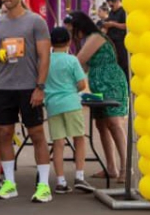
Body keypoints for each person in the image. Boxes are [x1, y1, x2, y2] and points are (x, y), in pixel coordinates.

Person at [0, 0, 52, 203]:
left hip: (29, 87)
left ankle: (44, 185)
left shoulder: (36, 21)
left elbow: (45, 56)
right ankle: (9, 183)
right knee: (4, 134)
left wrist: (40, 87)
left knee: (36, 134)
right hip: (4, 87)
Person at [66, 11, 129, 184]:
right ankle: (111, 167)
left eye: (72, 31)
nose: (72, 35)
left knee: (114, 123)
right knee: (101, 124)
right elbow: (84, 68)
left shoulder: (95, 37)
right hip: (98, 83)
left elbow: (79, 61)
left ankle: (126, 167)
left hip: (111, 82)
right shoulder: (88, 41)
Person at [44, 27, 95, 194]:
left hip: (52, 104)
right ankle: (79, 176)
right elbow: (81, 84)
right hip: (71, 103)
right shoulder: (72, 60)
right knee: (79, 138)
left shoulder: (45, 60)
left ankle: (60, 181)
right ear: (68, 42)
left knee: (58, 143)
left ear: (51, 42)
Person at [102, 0, 129, 80]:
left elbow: (126, 26)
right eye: (110, 6)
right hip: (112, 41)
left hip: (121, 41)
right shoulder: (111, 13)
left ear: (117, 2)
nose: (111, 8)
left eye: (112, 6)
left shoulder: (123, 12)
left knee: (124, 63)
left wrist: (113, 24)